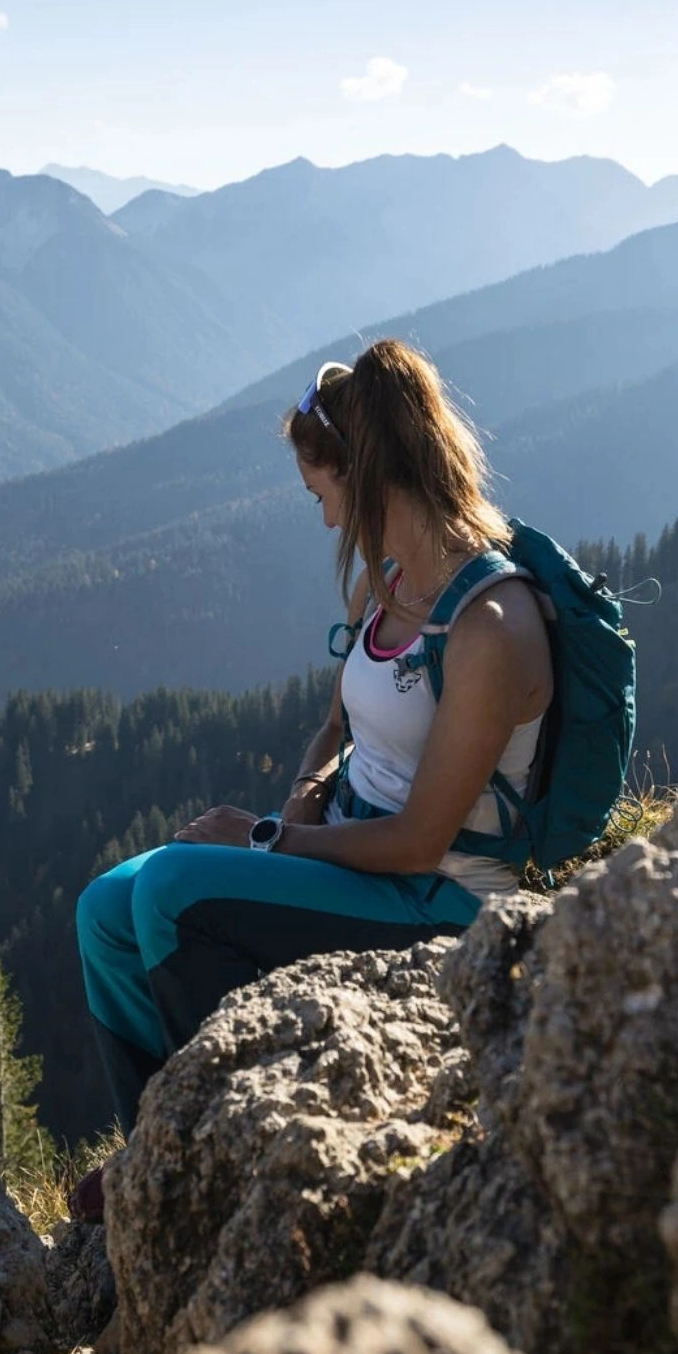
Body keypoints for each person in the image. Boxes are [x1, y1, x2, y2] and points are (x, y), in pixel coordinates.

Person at [75, 339, 555, 1140]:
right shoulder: (386, 583)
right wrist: (306, 786)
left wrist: (269, 836)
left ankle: (213, 1136)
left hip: (440, 897)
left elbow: (419, 840)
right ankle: (151, 1144)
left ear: (363, 470)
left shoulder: (489, 627)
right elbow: (335, 725)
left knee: (170, 892)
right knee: (104, 907)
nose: (324, 512)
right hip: (348, 854)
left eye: (321, 489)